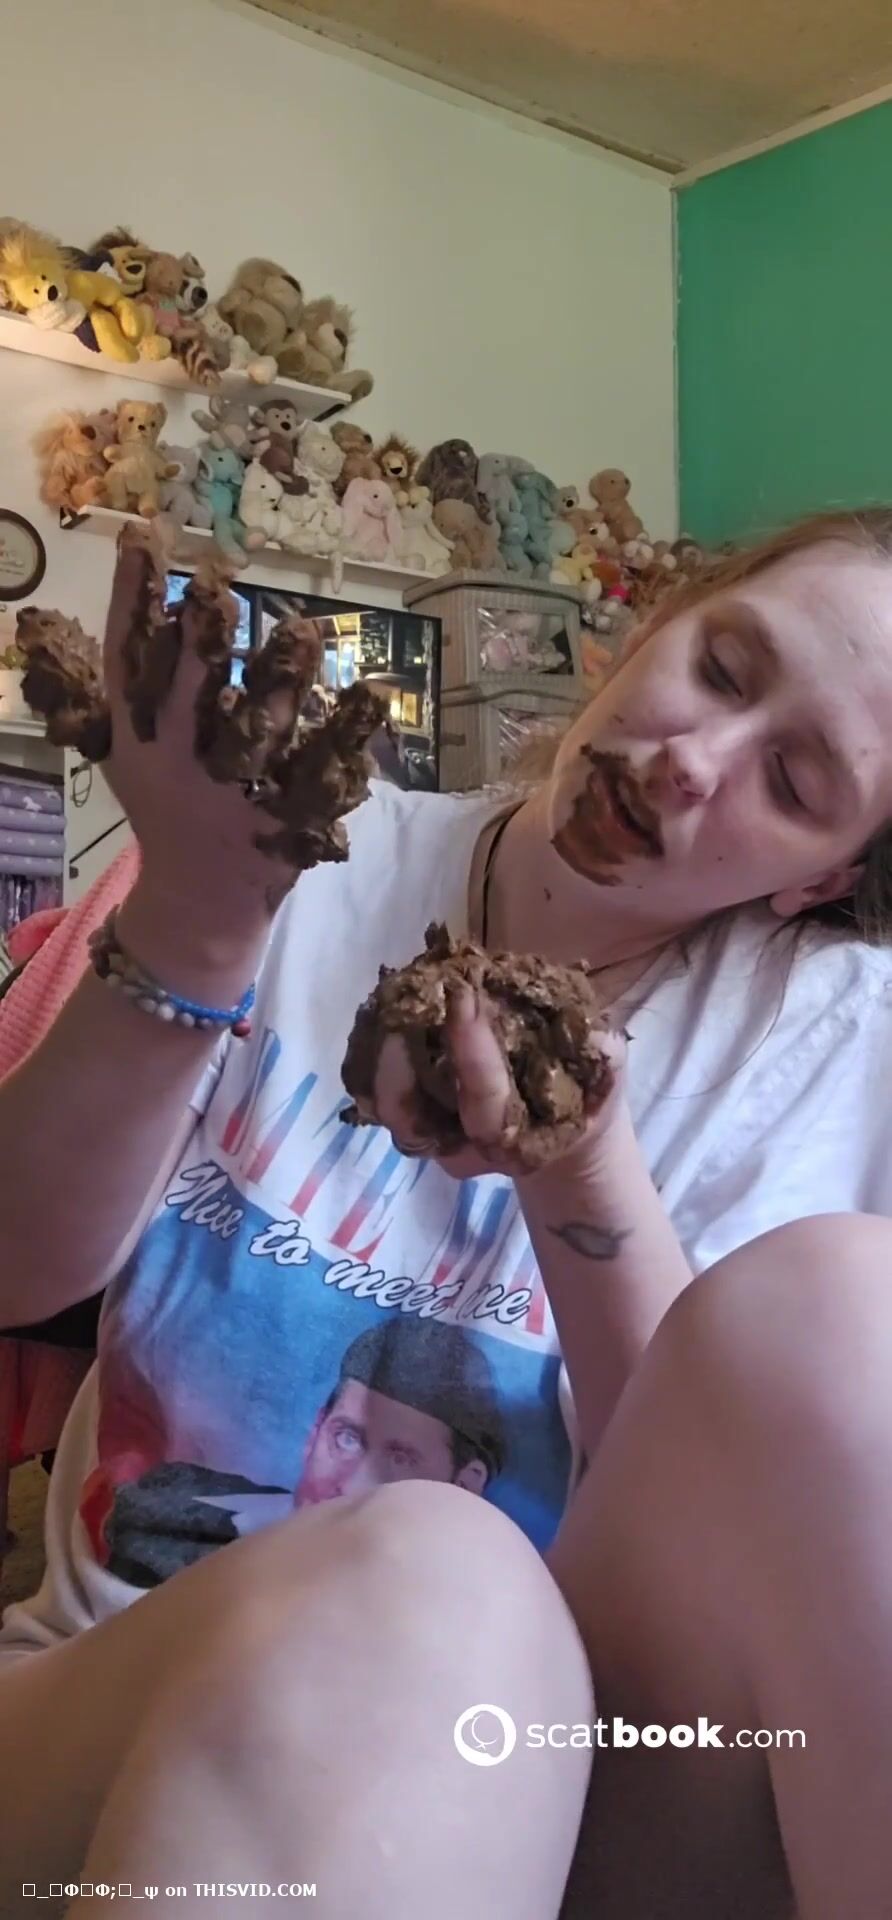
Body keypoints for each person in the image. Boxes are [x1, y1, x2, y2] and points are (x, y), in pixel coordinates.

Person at [2, 510, 892, 1915]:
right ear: (651, 627)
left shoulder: (833, 1047)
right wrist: (196, 920)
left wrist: (581, 1172)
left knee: (850, 1310)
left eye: (792, 780)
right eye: (720, 669)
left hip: (595, 1787)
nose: (691, 761)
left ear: (825, 875)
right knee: (435, 1577)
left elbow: (725, 1542)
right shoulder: (285, 847)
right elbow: (17, 1270)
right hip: (112, 1700)